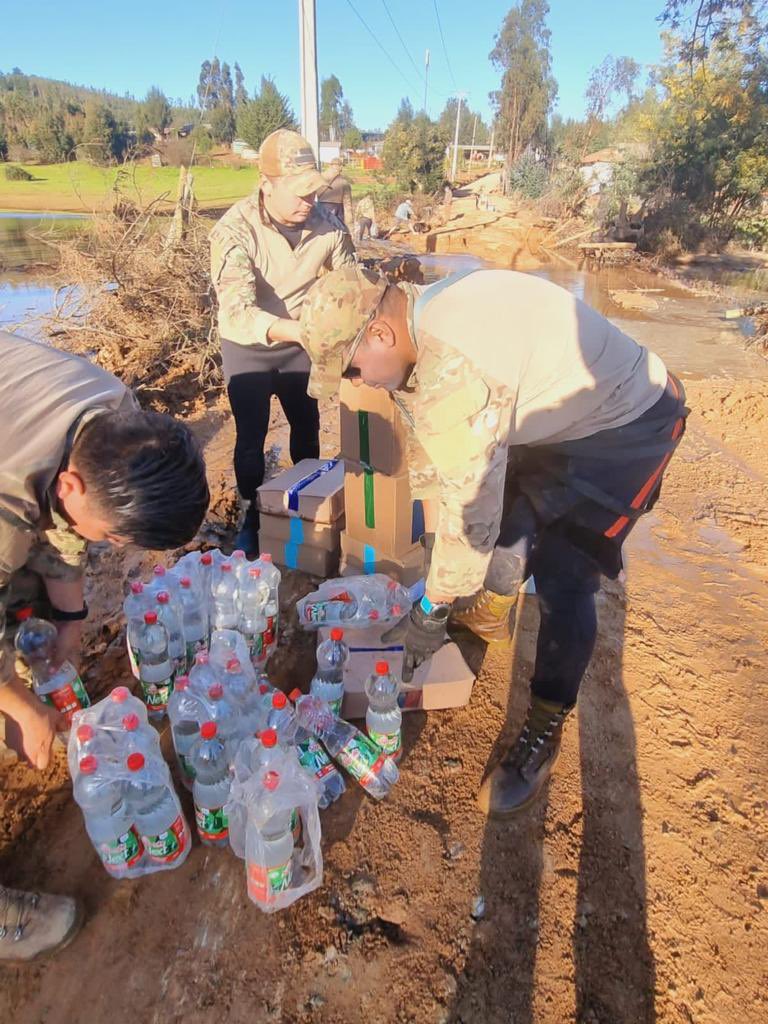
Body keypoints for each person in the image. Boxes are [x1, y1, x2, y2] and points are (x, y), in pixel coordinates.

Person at [299, 267, 688, 819]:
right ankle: (488, 605)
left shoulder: (457, 365)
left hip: (630, 426)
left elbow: (470, 507)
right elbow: (442, 462)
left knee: (564, 573)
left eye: (354, 368)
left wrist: (432, 608)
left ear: (380, 335)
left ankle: (542, 728)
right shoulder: (419, 316)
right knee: (509, 531)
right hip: (560, 418)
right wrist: (442, 568)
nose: (359, 382)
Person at [0, 330, 209, 962]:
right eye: (115, 537)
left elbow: (65, 529)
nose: (116, 549)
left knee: (30, 600)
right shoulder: (9, 496)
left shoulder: (114, 418)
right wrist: (17, 703)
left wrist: (68, 618)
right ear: (70, 486)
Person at [210, 129, 356, 556]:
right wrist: (305, 332)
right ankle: (252, 514)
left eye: (313, 192)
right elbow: (237, 311)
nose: (307, 202)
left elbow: (350, 284)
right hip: (247, 345)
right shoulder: (233, 231)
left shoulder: (328, 226)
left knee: (306, 427)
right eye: (298, 193)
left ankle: (303, 501)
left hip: (298, 345)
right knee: (250, 438)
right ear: (266, 185)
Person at [317, 157, 353, 231]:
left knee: (321, 229)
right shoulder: (344, 182)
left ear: (330, 165)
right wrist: (350, 224)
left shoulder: (320, 177)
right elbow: (347, 204)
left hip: (320, 206)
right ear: (340, 166)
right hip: (337, 207)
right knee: (338, 230)